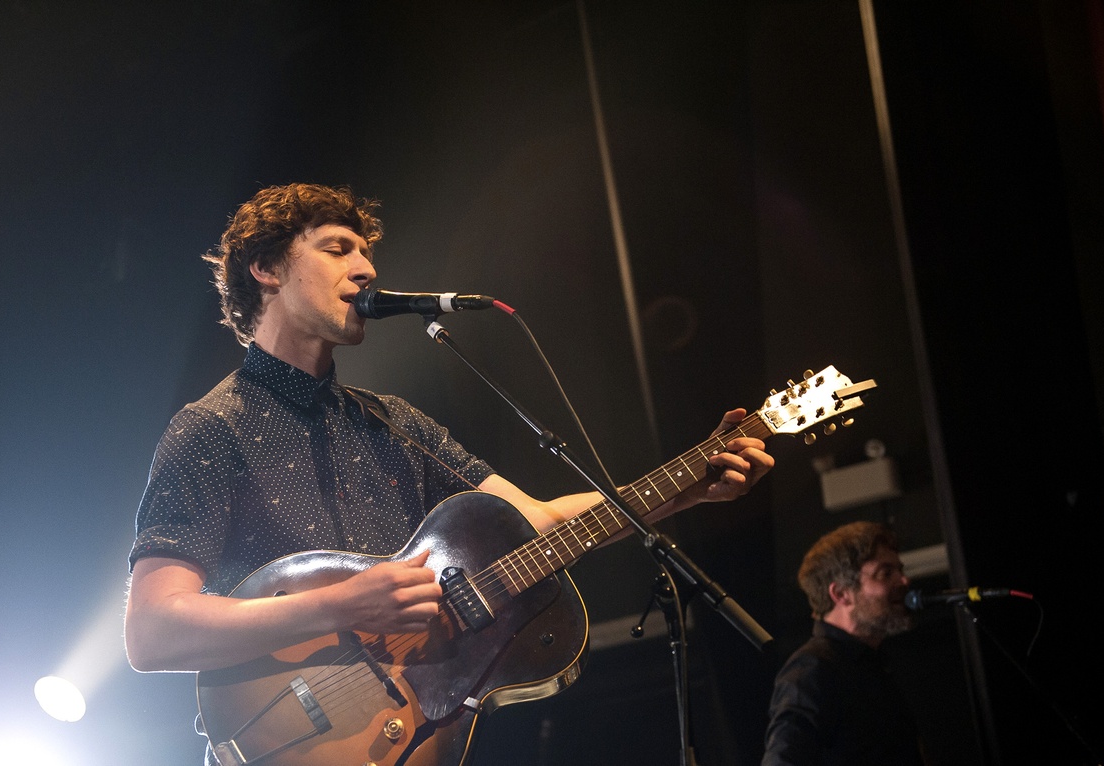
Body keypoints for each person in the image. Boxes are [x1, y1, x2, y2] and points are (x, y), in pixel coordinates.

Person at [122, 183, 775, 758]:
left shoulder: (397, 422)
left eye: (367, 252)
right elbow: (152, 633)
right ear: (265, 267)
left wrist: (685, 488)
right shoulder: (211, 428)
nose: (367, 267)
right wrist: (337, 605)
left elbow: (537, 523)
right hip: (284, 739)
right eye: (337, 248)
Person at [762, 520, 924, 766]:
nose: (904, 581)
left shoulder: (872, 662)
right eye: (886, 573)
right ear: (840, 594)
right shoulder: (812, 670)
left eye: (899, 570)